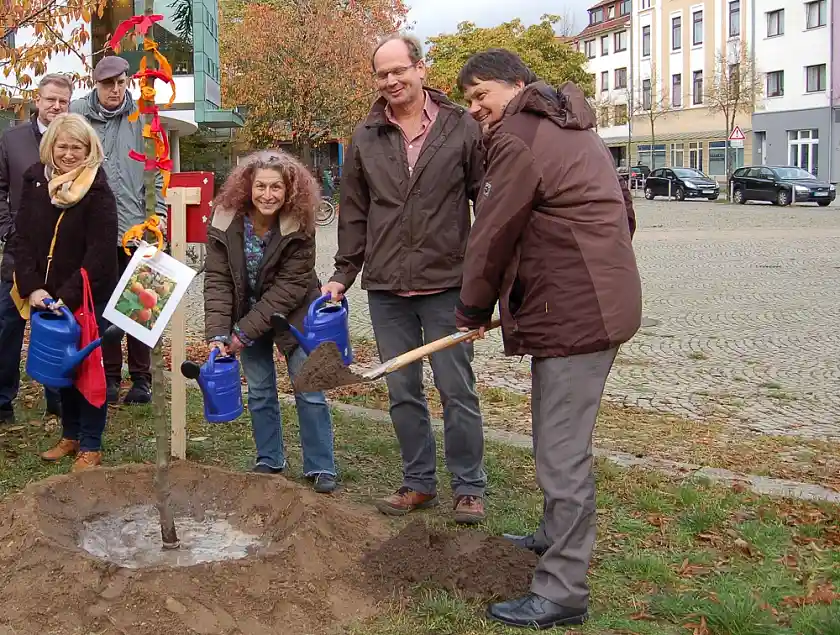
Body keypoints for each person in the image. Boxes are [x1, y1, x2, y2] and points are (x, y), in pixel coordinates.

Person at [453, 49, 641, 629]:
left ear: (516, 84)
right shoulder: (571, 126)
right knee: (554, 436)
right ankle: (552, 537)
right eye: (468, 101)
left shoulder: (520, 137)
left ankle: (562, 591)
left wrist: (470, 309)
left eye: (481, 94)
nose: (475, 108)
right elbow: (623, 212)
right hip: (591, 303)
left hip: (577, 313)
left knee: (561, 453)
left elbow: (493, 230)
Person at [322, 33, 488, 524]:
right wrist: (341, 274)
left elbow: (489, 203)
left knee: (457, 388)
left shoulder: (461, 127)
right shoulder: (366, 135)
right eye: (382, 74)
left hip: (448, 284)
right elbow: (354, 211)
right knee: (402, 389)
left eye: (400, 70)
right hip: (388, 288)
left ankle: (468, 486)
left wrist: (486, 279)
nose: (391, 80)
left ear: (420, 69)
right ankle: (418, 481)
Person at [203, 149, 338, 494]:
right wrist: (219, 333)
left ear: (289, 189)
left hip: (294, 315)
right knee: (261, 391)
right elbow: (217, 280)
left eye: (276, 187)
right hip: (243, 316)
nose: (268, 195)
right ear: (248, 187)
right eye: (261, 186)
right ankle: (269, 458)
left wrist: (242, 334)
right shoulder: (224, 221)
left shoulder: (299, 224)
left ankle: (321, 466)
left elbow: (290, 288)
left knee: (309, 390)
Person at [11, 113, 118, 471]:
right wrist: (33, 288)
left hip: (86, 296)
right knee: (61, 370)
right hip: (46, 294)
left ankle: (91, 443)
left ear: (89, 150)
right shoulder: (34, 181)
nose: (69, 154)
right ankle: (70, 435)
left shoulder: (98, 190)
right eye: (63, 146)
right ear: (51, 146)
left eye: (77, 147)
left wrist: (67, 296)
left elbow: (100, 255)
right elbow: (21, 237)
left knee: (88, 370)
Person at [71, 55, 167, 406]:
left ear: (128, 81)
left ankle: (141, 379)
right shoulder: (77, 114)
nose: (114, 89)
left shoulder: (143, 116)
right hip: (93, 231)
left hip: (136, 229)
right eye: (107, 84)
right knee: (104, 307)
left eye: (120, 82)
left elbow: (157, 173)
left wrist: (157, 220)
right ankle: (109, 376)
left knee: (141, 304)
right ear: (96, 84)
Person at [0, 73, 73, 422]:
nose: (56, 106)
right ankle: (2, 400)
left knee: (56, 322)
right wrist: (9, 230)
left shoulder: (75, 141)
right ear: (38, 100)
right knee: (7, 326)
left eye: (63, 101)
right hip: (18, 252)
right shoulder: (12, 140)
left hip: (59, 253)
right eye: (50, 100)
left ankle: (58, 399)